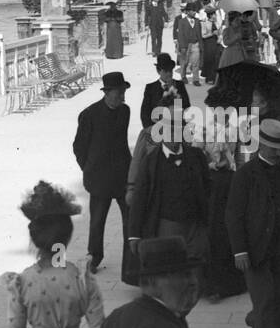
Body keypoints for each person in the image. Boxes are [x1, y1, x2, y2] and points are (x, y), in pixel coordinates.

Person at [226, 118, 280, 328]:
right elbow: (233, 214)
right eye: (274, 149)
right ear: (260, 144)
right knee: (265, 300)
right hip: (256, 248)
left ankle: (258, 320)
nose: (279, 154)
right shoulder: (244, 174)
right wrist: (239, 251)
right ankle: (260, 322)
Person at [1, 181, 103, 328]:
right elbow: (99, 327)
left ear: (34, 240)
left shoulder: (22, 283)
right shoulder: (82, 280)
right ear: (68, 236)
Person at [125, 135, 210, 286]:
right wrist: (134, 235)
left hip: (194, 223)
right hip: (168, 223)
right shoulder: (151, 161)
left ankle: (193, 290)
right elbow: (140, 198)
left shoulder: (196, 156)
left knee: (196, 259)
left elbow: (207, 187)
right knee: (169, 264)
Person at [73, 72, 133, 274]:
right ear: (107, 93)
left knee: (130, 220)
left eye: (124, 93)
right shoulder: (89, 115)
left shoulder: (125, 111)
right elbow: (79, 147)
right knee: (97, 221)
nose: (123, 97)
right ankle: (94, 257)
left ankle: (132, 261)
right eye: (119, 93)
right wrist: (88, 168)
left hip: (123, 176)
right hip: (99, 178)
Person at [102, 236, 203, 328]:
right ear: (153, 282)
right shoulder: (164, 327)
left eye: (191, 274)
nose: (193, 281)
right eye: (182, 276)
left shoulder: (117, 317)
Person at [201, 141, 247, 301]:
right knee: (212, 232)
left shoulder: (234, 128)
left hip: (231, 181)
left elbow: (240, 157)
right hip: (209, 181)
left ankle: (230, 284)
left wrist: (241, 177)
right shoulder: (202, 127)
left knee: (229, 231)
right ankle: (211, 285)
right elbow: (196, 154)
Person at [140, 54, 191, 135]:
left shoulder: (179, 85)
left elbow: (187, 107)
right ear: (158, 71)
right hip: (157, 131)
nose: (169, 74)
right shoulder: (150, 88)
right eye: (165, 71)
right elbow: (145, 113)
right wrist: (151, 131)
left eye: (170, 71)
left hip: (177, 130)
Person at [173, 4, 204, 86]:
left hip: (195, 44)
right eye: (192, 11)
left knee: (195, 62)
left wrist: (201, 45)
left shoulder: (197, 21)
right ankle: (183, 77)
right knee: (184, 62)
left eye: (195, 11)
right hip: (186, 45)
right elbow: (180, 35)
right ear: (187, 12)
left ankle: (196, 79)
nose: (194, 12)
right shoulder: (182, 21)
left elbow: (200, 35)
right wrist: (182, 47)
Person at [200, 5, 221, 85]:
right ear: (210, 15)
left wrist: (219, 35)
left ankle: (215, 78)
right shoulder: (204, 23)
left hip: (216, 43)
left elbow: (219, 33)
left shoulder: (216, 23)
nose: (215, 16)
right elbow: (203, 35)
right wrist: (212, 33)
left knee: (216, 60)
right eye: (214, 14)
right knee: (209, 60)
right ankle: (209, 77)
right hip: (208, 43)